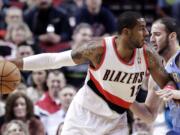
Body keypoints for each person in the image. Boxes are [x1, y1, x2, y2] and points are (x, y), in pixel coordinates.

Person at [12, 11, 175, 135]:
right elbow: (55, 59)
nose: (146, 34)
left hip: (116, 120)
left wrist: (170, 89)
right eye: (141, 30)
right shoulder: (98, 49)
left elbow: (167, 83)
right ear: (126, 32)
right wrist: (13, 64)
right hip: (83, 115)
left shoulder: (147, 54)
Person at [148, 17, 180, 134]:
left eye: (157, 34)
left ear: (172, 36)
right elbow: (149, 115)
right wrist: (125, 100)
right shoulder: (157, 71)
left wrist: (176, 93)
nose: (151, 39)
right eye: (151, 35)